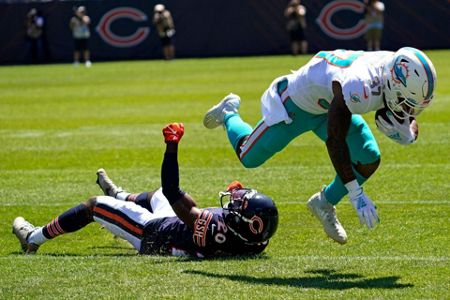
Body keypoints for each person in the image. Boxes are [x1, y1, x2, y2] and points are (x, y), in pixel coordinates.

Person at [203, 47, 436, 244]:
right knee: (248, 156)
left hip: (333, 102)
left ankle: (324, 203)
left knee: (368, 157)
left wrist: (409, 128)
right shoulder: (360, 85)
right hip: (299, 104)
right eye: (407, 104)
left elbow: (403, 111)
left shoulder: (392, 68)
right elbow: (335, 141)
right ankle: (229, 114)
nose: (409, 111)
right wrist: (355, 193)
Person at [12, 123, 279, 257]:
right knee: (156, 195)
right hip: (175, 227)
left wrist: (171, 146)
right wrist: (241, 200)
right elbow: (248, 224)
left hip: (153, 234)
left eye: (237, 206)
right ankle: (121, 197)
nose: (233, 202)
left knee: (95, 205)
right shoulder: (256, 241)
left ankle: (33, 238)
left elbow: (173, 189)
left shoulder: (210, 228)